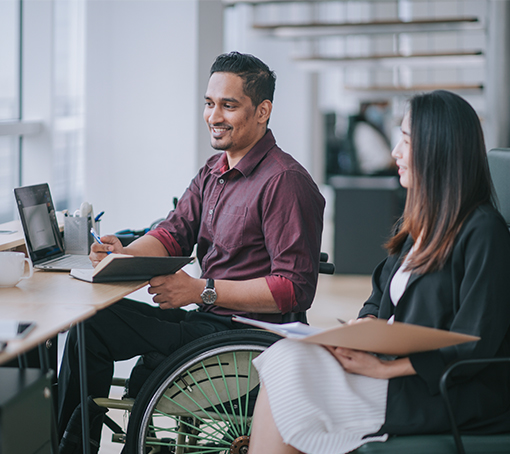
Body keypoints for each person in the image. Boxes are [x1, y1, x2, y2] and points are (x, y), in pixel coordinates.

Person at [57, 52, 325, 451]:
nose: (214, 116)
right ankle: (74, 443)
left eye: (228, 105)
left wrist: (201, 290)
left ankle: (71, 447)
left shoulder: (284, 182)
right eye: (209, 103)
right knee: (90, 318)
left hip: (242, 339)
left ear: (262, 111)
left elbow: (294, 289)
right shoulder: (214, 171)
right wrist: (123, 253)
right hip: (207, 325)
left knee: (93, 328)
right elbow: (173, 233)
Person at [248, 90, 510, 454]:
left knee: (291, 375)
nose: (395, 153)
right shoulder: (421, 225)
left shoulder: (484, 232)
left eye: (405, 140)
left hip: (442, 389)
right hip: (394, 369)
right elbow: (378, 297)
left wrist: (385, 368)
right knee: (287, 356)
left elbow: (473, 343)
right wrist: (361, 330)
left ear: (438, 150)